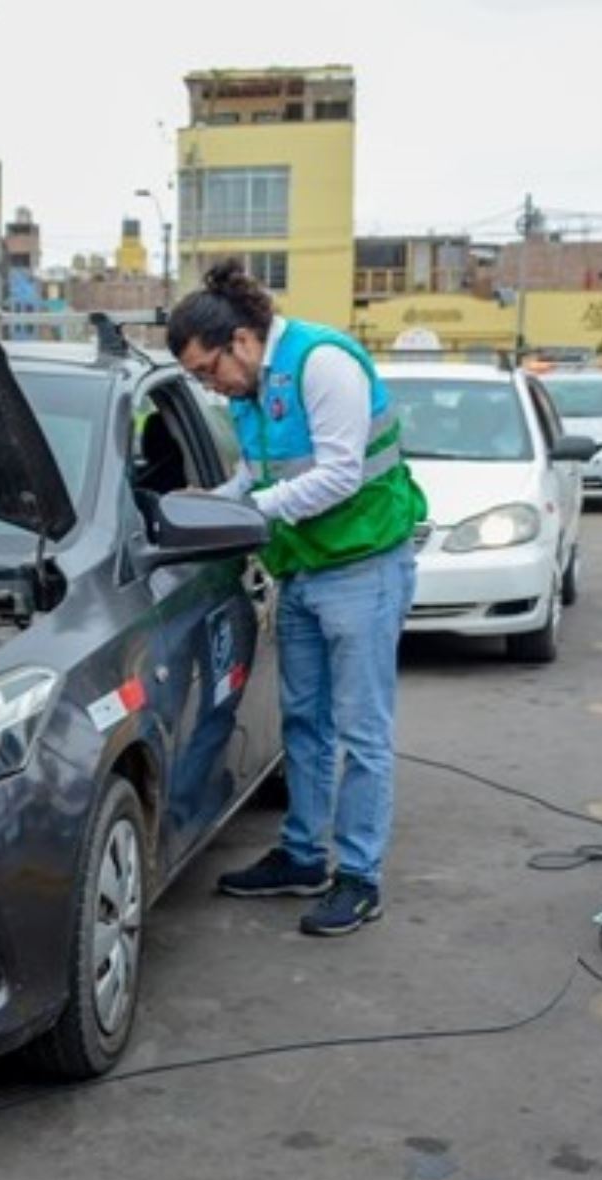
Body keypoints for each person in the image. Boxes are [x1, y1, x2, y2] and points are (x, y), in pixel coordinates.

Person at [168, 259, 426, 937]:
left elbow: (339, 473)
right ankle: (304, 856)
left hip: (363, 566)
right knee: (304, 722)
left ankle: (360, 877)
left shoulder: (322, 363)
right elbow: (258, 474)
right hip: (304, 571)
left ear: (243, 343)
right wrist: (207, 506)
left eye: (207, 371)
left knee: (363, 732)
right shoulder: (252, 391)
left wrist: (249, 512)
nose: (211, 387)